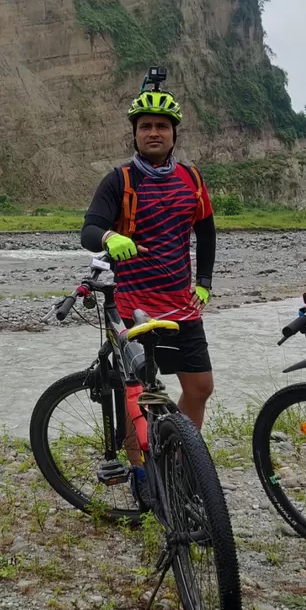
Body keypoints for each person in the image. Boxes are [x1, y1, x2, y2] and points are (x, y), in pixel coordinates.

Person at [80, 83, 215, 508]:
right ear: (134, 134)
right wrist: (108, 236)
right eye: (145, 126)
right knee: (136, 395)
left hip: (180, 304)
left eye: (161, 126)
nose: (153, 132)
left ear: (174, 134)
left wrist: (205, 283)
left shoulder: (190, 178)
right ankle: (141, 473)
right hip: (131, 307)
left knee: (200, 387)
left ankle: (178, 455)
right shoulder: (118, 180)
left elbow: (206, 231)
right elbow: (87, 230)